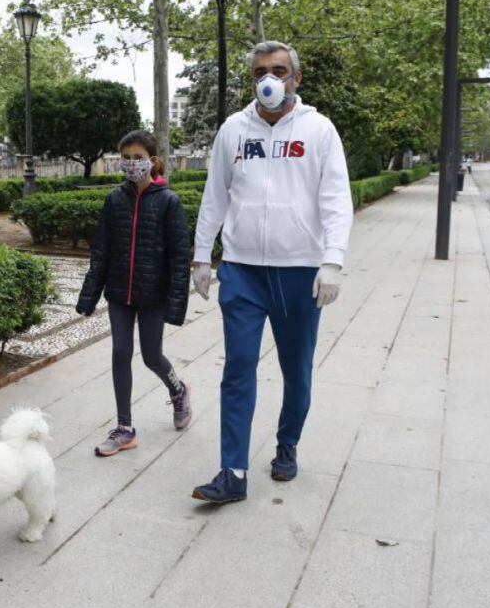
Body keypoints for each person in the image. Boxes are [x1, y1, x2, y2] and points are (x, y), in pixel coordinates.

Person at [189, 41, 354, 504]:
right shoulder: (233, 131)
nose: (270, 78)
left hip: (299, 272)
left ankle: (287, 442)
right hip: (242, 270)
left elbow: (336, 199)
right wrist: (203, 255)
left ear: (295, 79)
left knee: (295, 370)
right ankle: (233, 471)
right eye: (261, 71)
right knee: (238, 368)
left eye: (279, 70)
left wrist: (333, 260)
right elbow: (214, 196)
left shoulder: (319, 131)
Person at [76, 130, 193, 456]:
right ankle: (124, 427)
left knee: (152, 355)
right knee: (120, 352)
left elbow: (179, 257)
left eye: (137, 158)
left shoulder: (169, 201)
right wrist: (89, 296)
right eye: (125, 158)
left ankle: (178, 390)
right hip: (118, 293)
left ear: (152, 161)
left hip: (153, 294)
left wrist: (175, 304)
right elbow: (101, 250)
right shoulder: (115, 199)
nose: (131, 164)